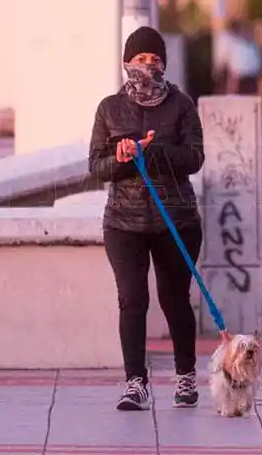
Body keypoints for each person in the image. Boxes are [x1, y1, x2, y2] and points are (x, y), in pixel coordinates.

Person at [88, 26, 205, 411]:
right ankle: (134, 383)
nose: (148, 66)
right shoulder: (109, 108)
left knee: (174, 298)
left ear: (164, 64)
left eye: (155, 60)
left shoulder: (182, 105)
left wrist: (154, 153)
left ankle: (186, 377)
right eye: (140, 59)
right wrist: (122, 158)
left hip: (177, 219)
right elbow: (96, 168)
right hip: (124, 222)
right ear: (127, 63)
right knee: (132, 299)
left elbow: (195, 158)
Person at [215, 19, 262, 95]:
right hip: (251, 72)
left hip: (239, 73)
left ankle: (230, 97)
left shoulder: (238, 43)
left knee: (233, 79)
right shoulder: (251, 44)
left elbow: (227, 61)